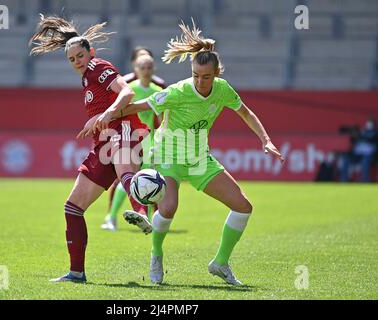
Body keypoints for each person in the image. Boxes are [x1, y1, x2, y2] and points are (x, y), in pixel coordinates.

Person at [93, 20, 284, 285]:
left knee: (243, 207)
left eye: (206, 76)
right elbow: (137, 106)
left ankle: (220, 263)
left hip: (198, 159)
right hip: (167, 157)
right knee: (169, 208)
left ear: (216, 73)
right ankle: (156, 255)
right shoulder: (179, 91)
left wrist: (266, 140)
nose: (200, 81)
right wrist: (107, 114)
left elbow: (246, 112)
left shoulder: (223, 90)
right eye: (196, 75)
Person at [29, 15, 152, 283]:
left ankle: (142, 212)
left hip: (123, 131)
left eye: (80, 55)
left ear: (91, 52)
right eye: (72, 59)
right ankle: (76, 273)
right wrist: (97, 120)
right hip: (103, 142)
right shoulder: (87, 78)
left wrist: (107, 113)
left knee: (125, 174)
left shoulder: (98, 67)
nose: (77, 62)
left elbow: (126, 92)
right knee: (72, 207)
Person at [103, 47, 167, 230]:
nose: (146, 70)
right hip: (129, 137)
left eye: (149, 67)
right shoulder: (130, 90)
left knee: (144, 179)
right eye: (143, 67)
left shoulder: (158, 91)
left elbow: (161, 120)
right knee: (129, 178)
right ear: (136, 69)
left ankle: (142, 218)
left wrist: (161, 138)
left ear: (153, 69)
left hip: (149, 141)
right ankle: (111, 216)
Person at [341, 118, 378, 182]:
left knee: (365, 160)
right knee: (345, 158)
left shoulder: (375, 134)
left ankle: (364, 179)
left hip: (368, 155)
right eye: (368, 123)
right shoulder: (361, 132)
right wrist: (356, 135)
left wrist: (362, 136)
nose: (368, 125)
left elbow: (373, 142)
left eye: (370, 123)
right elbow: (353, 141)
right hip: (357, 155)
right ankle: (345, 179)